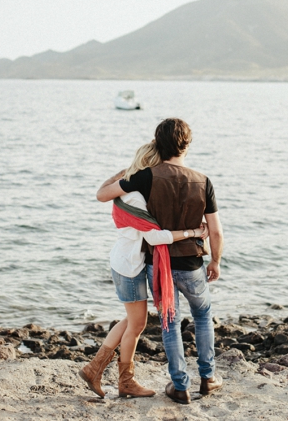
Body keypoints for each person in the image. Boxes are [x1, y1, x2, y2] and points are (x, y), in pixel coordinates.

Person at [96, 118, 225, 405]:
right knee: (203, 316)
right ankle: (208, 378)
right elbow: (215, 230)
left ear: (158, 143)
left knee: (170, 323)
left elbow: (103, 194)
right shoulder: (203, 180)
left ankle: (180, 386)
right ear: (187, 145)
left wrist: (128, 171)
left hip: (160, 265)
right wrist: (215, 260)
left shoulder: (146, 177)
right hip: (192, 264)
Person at [79, 141, 208, 399]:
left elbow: (103, 190)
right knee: (137, 323)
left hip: (126, 261)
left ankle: (98, 369)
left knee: (132, 321)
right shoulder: (136, 197)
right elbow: (155, 238)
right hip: (129, 266)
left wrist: (128, 173)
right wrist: (193, 232)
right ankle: (118, 379)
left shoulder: (128, 190)